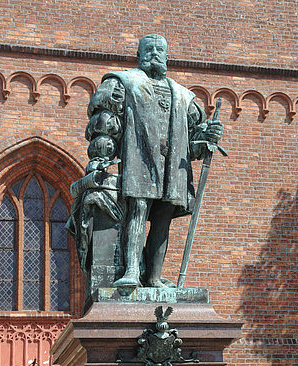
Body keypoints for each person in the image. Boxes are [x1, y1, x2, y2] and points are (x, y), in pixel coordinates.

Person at [84, 34, 224, 288]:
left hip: (172, 166)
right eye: (148, 49)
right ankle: (132, 271)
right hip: (140, 159)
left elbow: (195, 140)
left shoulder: (183, 95)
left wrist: (207, 136)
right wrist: (101, 156)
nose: (154, 54)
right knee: (137, 210)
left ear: (167, 56)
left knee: (163, 217)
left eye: (160, 50)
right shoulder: (124, 82)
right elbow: (106, 122)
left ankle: (154, 277)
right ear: (138, 55)